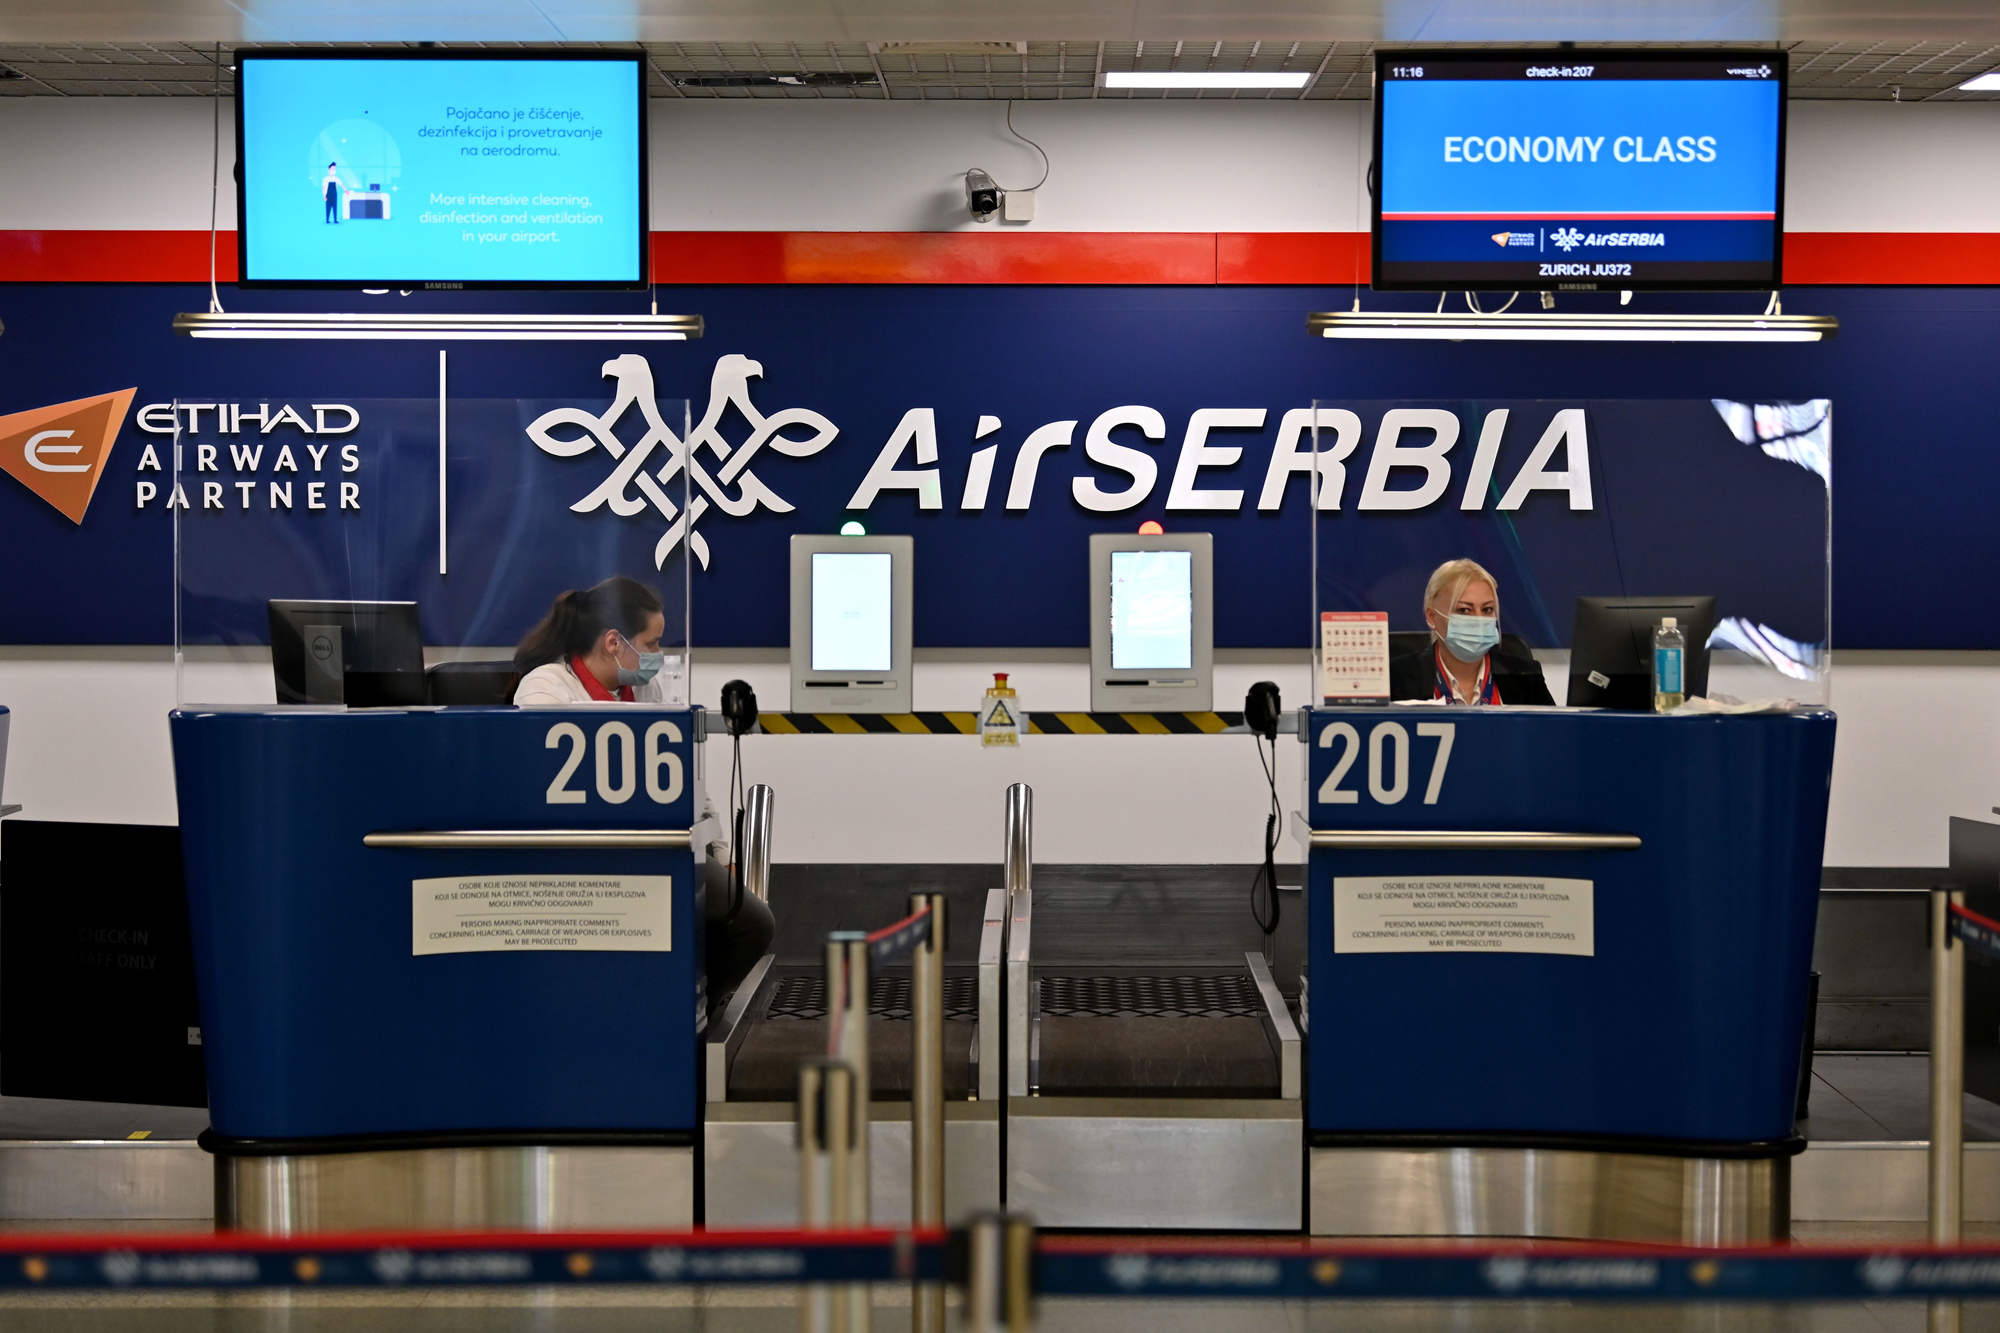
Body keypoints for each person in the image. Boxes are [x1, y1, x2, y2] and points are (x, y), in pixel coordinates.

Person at [1389, 558, 1554, 706]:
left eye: (1487, 609)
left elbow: (1554, 736)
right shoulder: (1396, 678)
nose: (1479, 620)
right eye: (1464, 610)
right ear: (1432, 617)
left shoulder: (1525, 676)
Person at [513, 576, 672, 705]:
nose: (658, 653)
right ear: (613, 642)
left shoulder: (647, 688)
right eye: (651, 643)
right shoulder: (545, 688)